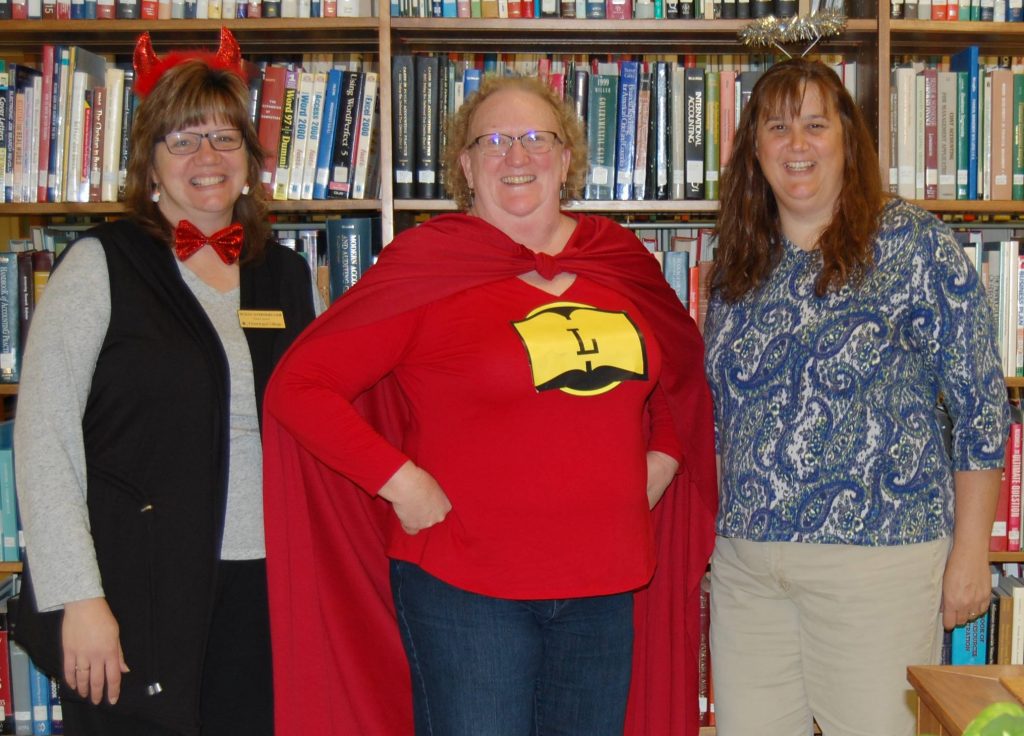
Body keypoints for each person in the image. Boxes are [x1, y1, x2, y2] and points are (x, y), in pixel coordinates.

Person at [262, 74, 717, 736]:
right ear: (466, 167)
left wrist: (666, 457)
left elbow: (677, 373)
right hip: (466, 589)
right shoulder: (430, 264)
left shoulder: (618, 261)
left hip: (603, 583)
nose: (517, 156)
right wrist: (401, 482)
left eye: (536, 138)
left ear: (567, 158)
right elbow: (299, 385)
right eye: (493, 141)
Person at [12, 28, 318, 736]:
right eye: (182, 139)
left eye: (224, 137)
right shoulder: (100, 265)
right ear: (149, 161)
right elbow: (44, 438)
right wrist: (77, 597)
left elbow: (317, 422)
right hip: (135, 588)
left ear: (250, 158)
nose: (207, 157)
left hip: (266, 586)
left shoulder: (288, 275)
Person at [703, 57, 1010, 736]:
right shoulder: (735, 263)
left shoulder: (914, 244)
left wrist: (971, 553)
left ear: (848, 139)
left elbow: (981, 407)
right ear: (754, 148)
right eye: (777, 127)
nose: (797, 144)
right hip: (749, 572)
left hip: (878, 566)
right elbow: (720, 417)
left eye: (816, 125)